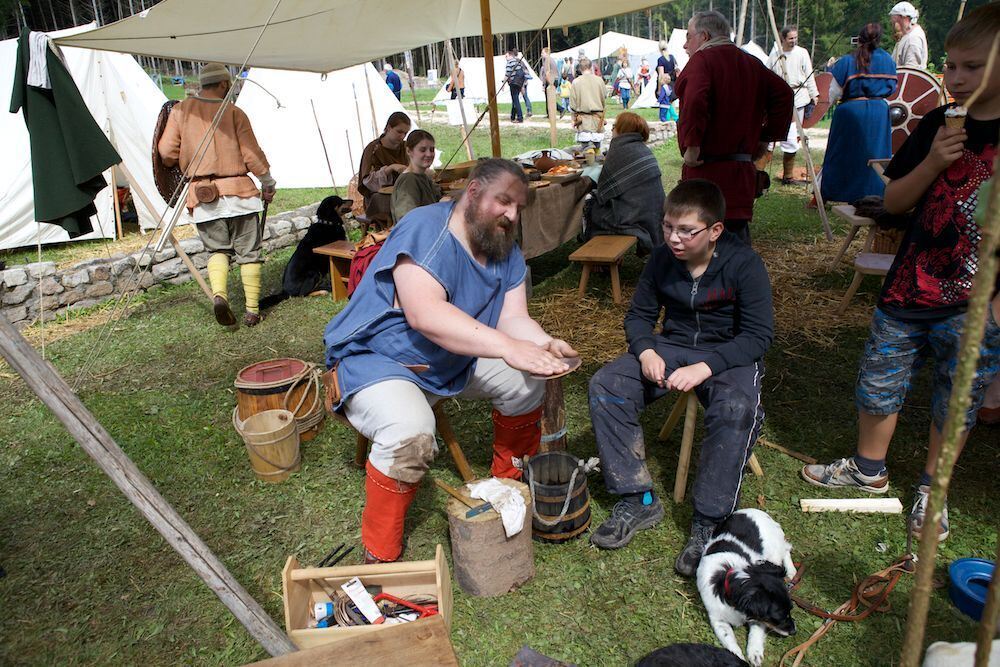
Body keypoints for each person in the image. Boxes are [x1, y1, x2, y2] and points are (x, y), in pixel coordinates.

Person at [801, 3, 1000, 544]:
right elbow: (892, 200)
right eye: (951, 66)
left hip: (977, 298)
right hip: (912, 283)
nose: (955, 78)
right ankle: (869, 469)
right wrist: (934, 160)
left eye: (971, 67)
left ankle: (934, 491)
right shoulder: (939, 122)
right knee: (879, 380)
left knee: (954, 398)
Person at [323, 159, 578, 563]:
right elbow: (425, 315)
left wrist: (544, 343)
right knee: (411, 433)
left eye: (519, 206)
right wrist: (509, 347)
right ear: (474, 191)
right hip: (381, 358)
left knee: (527, 381)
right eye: (504, 202)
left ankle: (506, 489)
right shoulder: (427, 227)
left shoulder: (501, 244)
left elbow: (513, 318)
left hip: (447, 357)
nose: (512, 214)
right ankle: (380, 552)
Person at [588, 178, 773, 577]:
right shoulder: (661, 259)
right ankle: (637, 499)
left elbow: (758, 337)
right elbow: (639, 316)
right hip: (670, 345)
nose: (673, 238)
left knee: (736, 408)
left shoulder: (745, 265)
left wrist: (705, 367)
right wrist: (647, 350)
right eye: (668, 227)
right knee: (607, 385)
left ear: (715, 231)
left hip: (727, 354)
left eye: (686, 231)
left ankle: (709, 521)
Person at [157, 63, 275, 328]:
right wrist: (268, 182)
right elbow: (251, 154)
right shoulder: (234, 112)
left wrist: (189, 159)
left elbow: (165, 153)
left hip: (202, 195)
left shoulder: (180, 111)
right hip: (240, 194)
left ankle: (220, 295)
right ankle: (252, 311)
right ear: (223, 84)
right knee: (249, 253)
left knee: (217, 250)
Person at [675, 11, 793, 245]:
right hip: (739, 176)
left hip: (707, 175)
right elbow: (784, 94)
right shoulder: (751, 63)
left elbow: (696, 100)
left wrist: (692, 145)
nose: (685, 44)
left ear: (704, 36)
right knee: (736, 246)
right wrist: (763, 139)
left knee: (701, 244)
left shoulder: (702, 60)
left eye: (689, 37)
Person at [819, 24, 897, 204]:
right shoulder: (888, 60)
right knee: (875, 155)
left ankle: (838, 193)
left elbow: (833, 92)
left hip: (851, 112)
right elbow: (893, 88)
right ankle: (874, 193)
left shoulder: (847, 61)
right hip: (879, 113)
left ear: (859, 39)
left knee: (842, 153)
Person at [584, 113, 665, 253]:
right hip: (655, 214)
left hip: (634, 216)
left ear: (622, 129)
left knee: (592, 207)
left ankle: (597, 257)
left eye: (614, 126)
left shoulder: (619, 149)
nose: (612, 129)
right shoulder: (643, 149)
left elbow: (604, 192)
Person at [766, 25, 819, 185]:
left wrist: (814, 94)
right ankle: (758, 172)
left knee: (792, 135)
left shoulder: (802, 53)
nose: (794, 41)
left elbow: (809, 74)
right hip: (780, 99)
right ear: (783, 39)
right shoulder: (775, 54)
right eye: (790, 38)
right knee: (772, 137)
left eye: (795, 37)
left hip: (799, 97)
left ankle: (787, 176)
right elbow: (767, 75)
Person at [358, 111, 411, 224]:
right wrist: (390, 168)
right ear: (388, 128)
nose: (402, 136)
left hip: (404, 191)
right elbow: (368, 182)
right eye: (399, 132)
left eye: (405, 133)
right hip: (378, 197)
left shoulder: (406, 147)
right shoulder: (373, 149)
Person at [390, 129, 441, 224]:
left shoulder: (423, 177)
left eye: (432, 149)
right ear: (409, 151)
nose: (429, 154)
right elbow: (407, 220)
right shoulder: (408, 181)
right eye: (422, 150)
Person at [570, 56, 607, 151]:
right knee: (596, 148)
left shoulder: (575, 82)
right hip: (596, 119)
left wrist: (573, 119)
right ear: (591, 67)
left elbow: (573, 104)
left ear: (579, 68)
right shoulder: (599, 80)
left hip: (584, 120)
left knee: (586, 148)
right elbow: (604, 97)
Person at [889, 1, 928, 69]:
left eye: (894, 19)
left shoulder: (913, 39)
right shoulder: (906, 36)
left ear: (903, 17)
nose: (892, 22)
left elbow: (911, 72)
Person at [505, 49, 527, 123]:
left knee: (515, 100)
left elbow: (507, 74)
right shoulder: (518, 62)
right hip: (520, 82)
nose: (506, 58)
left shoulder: (509, 62)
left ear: (510, 55)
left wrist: (503, 83)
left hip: (513, 82)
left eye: (506, 56)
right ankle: (513, 116)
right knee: (515, 100)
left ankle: (520, 117)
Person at [540, 47, 561, 117]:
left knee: (550, 98)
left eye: (543, 53)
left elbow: (546, 73)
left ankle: (561, 109)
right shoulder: (551, 60)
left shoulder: (547, 60)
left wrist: (544, 84)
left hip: (551, 80)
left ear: (546, 53)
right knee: (549, 98)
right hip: (554, 79)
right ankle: (549, 113)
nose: (541, 54)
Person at [519, 52, 534, 118]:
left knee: (523, 97)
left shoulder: (519, 64)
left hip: (521, 83)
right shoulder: (523, 64)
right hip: (524, 82)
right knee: (525, 97)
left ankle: (529, 111)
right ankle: (529, 110)